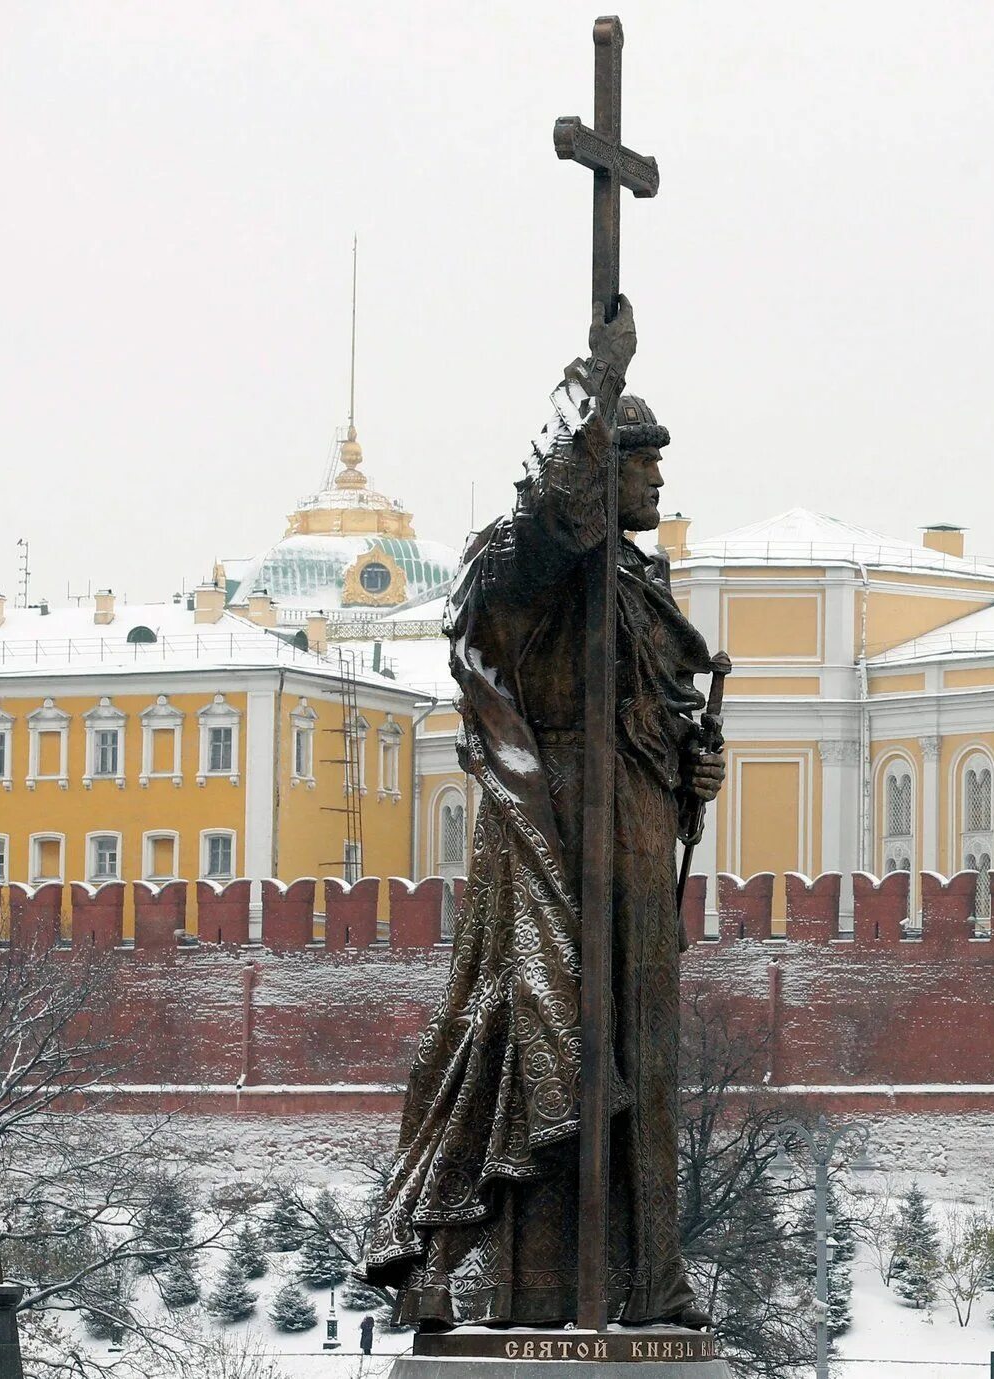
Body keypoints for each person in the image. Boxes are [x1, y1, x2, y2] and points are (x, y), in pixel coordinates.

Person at [363, 298, 723, 1330]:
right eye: (641, 464)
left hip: (636, 829)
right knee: (533, 1046)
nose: (657, 481)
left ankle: (647, 1276)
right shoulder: (532, 559)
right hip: (555, 826)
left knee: (644, 1055)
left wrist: (690, 763)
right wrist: (593, 382)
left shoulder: (636, 585)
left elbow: (658, 710)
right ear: (598, 467)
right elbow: (547, 523)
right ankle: (462, 1256)